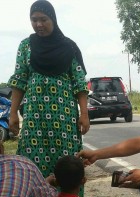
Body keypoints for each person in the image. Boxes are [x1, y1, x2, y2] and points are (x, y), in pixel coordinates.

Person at [8, 0, 90, 179]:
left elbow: (80, 84)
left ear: (53, 18)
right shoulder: (25, 46)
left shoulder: (69, 46)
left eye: (43, 19)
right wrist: (13, 112)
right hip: (33, 117)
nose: (38, 24)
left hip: (64, 118)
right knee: (32, 161)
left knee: (67, 161)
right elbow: (19, 80)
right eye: (34, 20)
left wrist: (84, 113)